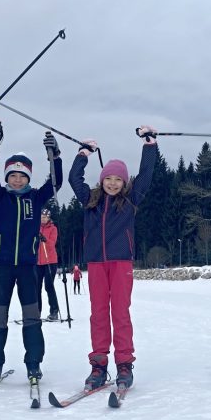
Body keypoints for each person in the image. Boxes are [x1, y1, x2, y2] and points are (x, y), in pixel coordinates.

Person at [69, 126, 158, 390]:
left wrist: (149, 145)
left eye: (118, 180)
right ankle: (98, 365)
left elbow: (147, 175)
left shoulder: (131, 200)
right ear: (102, 179)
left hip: (121, 263)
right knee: (98, 314)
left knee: (120, 313)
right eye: (109, 179)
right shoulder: (90, 201)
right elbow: (75, 179)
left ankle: (124, 364)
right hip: (96, 263)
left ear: (124, 183)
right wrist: (83, 154)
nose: (113, 183)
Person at [0, 123, 63, 384]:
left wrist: (55, 157)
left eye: (22, 176)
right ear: (6, 178)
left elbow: (56, 182)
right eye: (13, 175)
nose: (17, 179)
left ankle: (34, 362)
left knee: (31, 316)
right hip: (3, 265)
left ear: (28, 178)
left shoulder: (36, 199)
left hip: (28, 265)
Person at [36, 209, 61, 320]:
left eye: (45, 217)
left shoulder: (53, 229)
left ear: (49, 218)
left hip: (50, 261)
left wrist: (45, 239)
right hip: (38, 262)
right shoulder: (36, 228)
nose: (43, 219)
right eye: (41, 217)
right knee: (36, 287)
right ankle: (36, 311)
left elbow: (52, 244)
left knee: (48, 286)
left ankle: (54, 310)